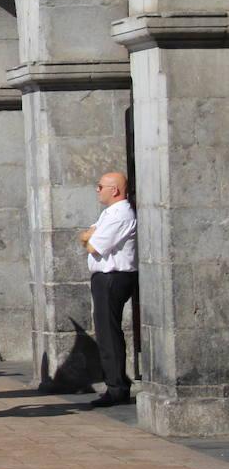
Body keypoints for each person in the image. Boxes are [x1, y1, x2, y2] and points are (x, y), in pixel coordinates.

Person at [82, 171, 137, 408]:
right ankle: (116, 384)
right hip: (104, 277)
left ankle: (116, 388)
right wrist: (88, 236)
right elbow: (84, 236)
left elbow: (92, 246)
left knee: (108, 333)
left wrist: (89, 238)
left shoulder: (121, 214)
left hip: (113, 277)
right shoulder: (109, 212)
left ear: (114, 190)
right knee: (105, 331)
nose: (97, 190)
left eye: (100, 186)